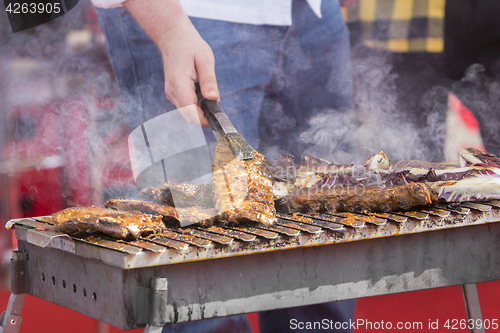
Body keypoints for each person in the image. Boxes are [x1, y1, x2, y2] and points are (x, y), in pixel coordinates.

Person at [92, 0, 357, 332]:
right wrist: (170, 29)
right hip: (184, 19)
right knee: (202, 292)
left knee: (324, 255)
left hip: (315, 15)